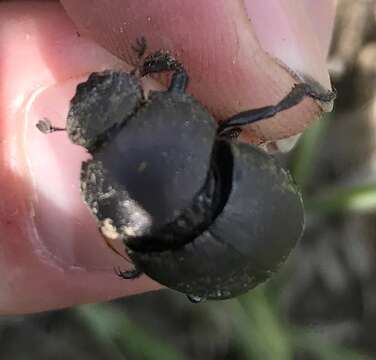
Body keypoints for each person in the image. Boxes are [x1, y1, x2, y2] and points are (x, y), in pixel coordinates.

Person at [0, 0, 336, 314]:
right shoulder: (145, 213)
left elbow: (180, 82)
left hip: (236, 240)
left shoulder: (141, 206)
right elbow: (181, 78)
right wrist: (145, 67)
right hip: (243, 235)